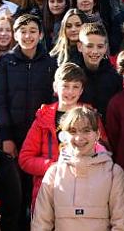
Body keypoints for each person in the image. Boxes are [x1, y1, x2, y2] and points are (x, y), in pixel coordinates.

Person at [19, 62, 107, 209]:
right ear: (55, 87)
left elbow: (104, 153)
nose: (70, 92)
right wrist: (55, 166)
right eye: (65, 86)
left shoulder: (91, 116)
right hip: (50, 191)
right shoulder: (43, 118)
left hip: (85, 190)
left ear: (81, 90)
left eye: (75, 87)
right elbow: (25, 159)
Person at [32, 106, 124, 230]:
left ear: (97, 134)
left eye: (86, 131)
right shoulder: (54, 173)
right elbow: (41, 223)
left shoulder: (114, 173)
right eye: (73, 131)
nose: (79, 138)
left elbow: (120, 223)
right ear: (65, 136)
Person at [0, 14, 57, 159]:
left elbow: (53, 100)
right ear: (15, 35)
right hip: (13, 135)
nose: (28, 36)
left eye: (33, 31)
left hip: (41, 133)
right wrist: (5, 137)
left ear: (40, 35)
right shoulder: (6, 62)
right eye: (23, 31)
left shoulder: (50, 63)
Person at [74, 22, 123, 119]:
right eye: (89, 46)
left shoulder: (114, 76)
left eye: (100, 46)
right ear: (80, 46)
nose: (95, 51)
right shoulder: (71, 74)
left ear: (105, 48)